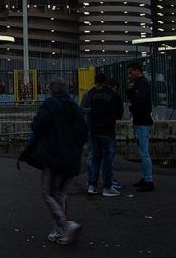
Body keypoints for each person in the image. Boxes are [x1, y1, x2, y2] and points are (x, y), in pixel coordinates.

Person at [29, 78, 88, 245]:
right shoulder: (76, 108)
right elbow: (84, 132)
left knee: (47, 193)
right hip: (72, 158)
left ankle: (66, 225)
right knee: (61, 194)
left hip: (53, 157)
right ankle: (60, 231)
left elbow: (37, 126)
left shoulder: (50, 105)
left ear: (51, 91)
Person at [85, 73, 124, 197]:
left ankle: (92, 185)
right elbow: (119, 114)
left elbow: (87, 110)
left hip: (94, 130)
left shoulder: (92, 95)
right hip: (108, 130)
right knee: (107, 160)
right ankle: (107, 186)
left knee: (94, 159)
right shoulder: (114, 96)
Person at [127, 63, 154, 192]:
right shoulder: (139, 83)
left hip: (142, 121)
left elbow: (139, 101)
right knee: (143, 151)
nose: (130, 75)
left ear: (138, 71)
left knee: (144, 152)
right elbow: (135, 99)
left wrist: (132, 107)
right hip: (140, 121)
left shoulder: (142, 84)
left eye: (131, 72)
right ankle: (145, 178)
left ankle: (148, 180)